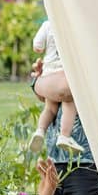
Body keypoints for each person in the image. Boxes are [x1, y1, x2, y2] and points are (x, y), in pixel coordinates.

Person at [29, 18, 82, 157]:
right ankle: (64, 135)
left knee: (49, 109)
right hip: (65, 71)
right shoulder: (73, 25)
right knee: (69, 103)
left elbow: (37, 47)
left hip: (49, 71)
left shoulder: (47, 25)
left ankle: (40, 130)